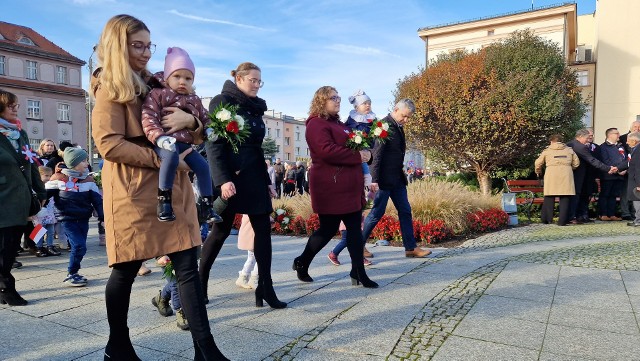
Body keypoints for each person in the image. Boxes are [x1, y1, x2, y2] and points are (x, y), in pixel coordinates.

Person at [91, 14, 228, 360]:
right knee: (125, 268)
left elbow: (195, 129)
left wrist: (192, 120)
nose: (145, 52)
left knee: (187, 267)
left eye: (148, 45)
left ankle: (206, 350)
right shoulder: (110, 88)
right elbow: (108, 145)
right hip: (133, 189)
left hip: (173, 188)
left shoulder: (159, 84)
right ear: (117, 45)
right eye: (137, 45)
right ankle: (117, 346)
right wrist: (161, 159)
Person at [200, 62, 286, 310]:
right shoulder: (221, 101)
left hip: (255, 177)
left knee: (263, 232)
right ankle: (200, 282)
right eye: (253, 80)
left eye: (260, 81)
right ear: (238, 79)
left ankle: (266, 288)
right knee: (220, 232)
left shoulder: (256, 108)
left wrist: (268, 182)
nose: (257, 85)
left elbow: (256, 150)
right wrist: (222, 179)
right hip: (231, 179)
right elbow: (214, 144)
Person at [292, 86, 378, 288]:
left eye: (338, 97)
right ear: (321, 100)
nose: (338, 100)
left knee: (355, 230)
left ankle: (358, 272)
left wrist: (367, 154)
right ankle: (302, 262)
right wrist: (357, 156)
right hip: (330, 186)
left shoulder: (340, 124)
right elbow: (326, 151)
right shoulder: (316, 124)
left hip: (349, 184)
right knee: (327, 229)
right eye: (333, 98)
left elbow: (354, 146)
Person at [142, 46, 222, 224]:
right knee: (169, 160)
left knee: (203, 167)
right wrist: (159, 137)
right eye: (177, 76)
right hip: (165, 143)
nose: (182, 82)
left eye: (188, 78)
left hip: (185, 146)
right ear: (167, 76)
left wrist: (209, 129)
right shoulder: (157, 94)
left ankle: (207, 206)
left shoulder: (194, 98)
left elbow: (204, 117)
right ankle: (164, 201)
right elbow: (149, 117)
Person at [361, 99, 432, 258]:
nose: (406, 120)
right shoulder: (382, 126)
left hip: (397, 179)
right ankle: (358, 245)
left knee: (405, 211)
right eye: (404, 116)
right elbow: (376, 155)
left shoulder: (398, 127)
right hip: (383, 180)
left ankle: (410, 248)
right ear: (395, 109)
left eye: (408, 118)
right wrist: (374, 180)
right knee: (376, 213)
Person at [0, 89, 46, 305]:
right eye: (11, 105)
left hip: (21, 199)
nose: (16, 108)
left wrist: (41, 191)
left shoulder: (21, 133)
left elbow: (31, 165)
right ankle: (7, 288)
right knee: (3, 247)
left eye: (16, 105)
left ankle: (4, 285)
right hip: (2, 199)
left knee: (9, 247)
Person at [47, 148, 103, 287]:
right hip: (67, 219)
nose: (86, 163)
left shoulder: (88, 180)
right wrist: (36, 208)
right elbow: (44, 195)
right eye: (83, 160)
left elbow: (97, 201)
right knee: (78, 245)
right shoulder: (59, 178)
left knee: (81, 248)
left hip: (83, 218)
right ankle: (71, 273)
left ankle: (74, 271)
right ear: (74, 162)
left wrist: (103, 218)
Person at [567, 128, 617, 224]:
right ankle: (572, 216)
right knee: (575, 196)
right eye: (587, 138)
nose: (588, 140)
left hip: (586, 175)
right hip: (577, 175)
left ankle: (580, 216)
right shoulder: (579, 146)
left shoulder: (573, 144)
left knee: (583, 195)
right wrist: (608, 168)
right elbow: (592, 160)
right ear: (580, 137)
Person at [534, 134, 580, 226]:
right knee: (565, 197)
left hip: (551, 174)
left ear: (551, 141)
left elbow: (538, 163)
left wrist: (538, 171)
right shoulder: (569, 150)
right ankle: (562, 221)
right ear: (562, 141)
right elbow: (576, 163)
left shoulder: (547, 151)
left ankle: (546, 219)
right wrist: (570, 168)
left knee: (549, 196)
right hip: (566, 174)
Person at [344, 89, 376, 187]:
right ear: (357, 107)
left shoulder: (372, 119)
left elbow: (374, 134)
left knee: (364, 158)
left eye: (369, 103)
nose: (368, 105)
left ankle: (367, 176)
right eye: (364, 103)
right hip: (354, 145)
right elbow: (345, 129)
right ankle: (366, 175)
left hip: (366, 145)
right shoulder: (352, 118)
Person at [152, 255, 189, 331]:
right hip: (167, 256)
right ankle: (180, 310)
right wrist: (160, 255)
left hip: (185, 252)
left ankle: (161, 297)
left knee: (183, 282)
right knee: (176, 284)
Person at [598, 128, 627, 221]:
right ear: (609, 135)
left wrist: (623, 169)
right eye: (617, 133)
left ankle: (611, 214)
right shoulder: (603, 147)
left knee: (614, 195)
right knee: (605, 194)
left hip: (620, 175)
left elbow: (626, 159)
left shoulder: (620, 146)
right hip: (608, 175)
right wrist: (617, 169)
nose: (619, 135)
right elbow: (605, 161)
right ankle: (603, 214)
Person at [33, 166, 61, 257]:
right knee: (39, 231)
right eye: (46, 175)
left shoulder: (50, 185)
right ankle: (38, 248)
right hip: (40, 212)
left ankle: (50, 246)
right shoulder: (36, 186)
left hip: (49, 211)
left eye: (50, 175)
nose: (48, 178)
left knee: (51, 230)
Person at [619, 121, 640, 220]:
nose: (637, 128)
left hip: (635, 171)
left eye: (639, 127)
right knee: (626, 193)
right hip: (626, 171)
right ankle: (626, 212)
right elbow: (623, 155)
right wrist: (620, 168)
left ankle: (635, 215)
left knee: (636, 195)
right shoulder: (623, 138)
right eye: (635, 126)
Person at [624, 132, 640, 226]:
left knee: (637, 200)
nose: (626, 142)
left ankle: (638, 220)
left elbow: (638, 168)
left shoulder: (638, 150)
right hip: (635, 180)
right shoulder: (635, 149)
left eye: (628, 140)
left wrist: (639, 184)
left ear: (634, 141)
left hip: (636, 181)